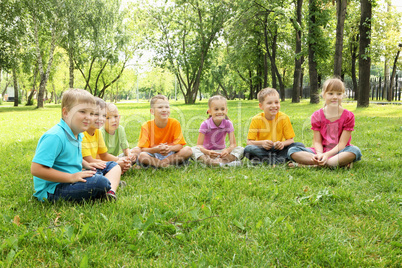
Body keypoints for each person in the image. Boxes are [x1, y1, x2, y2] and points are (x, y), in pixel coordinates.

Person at [30, 89, 121, 202]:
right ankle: (106, 185)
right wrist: (71, 177)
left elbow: (72, 156)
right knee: (100, 182)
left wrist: (87, 165)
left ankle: (110, 192)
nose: (89, 117)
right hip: (54, 188)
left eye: (91, 113)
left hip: (75, 176)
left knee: (113, 166)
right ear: (66, 112)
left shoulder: (77, 134)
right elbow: (36, 169)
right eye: (82, 111)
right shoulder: (55, 136)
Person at [287, 78, 362, 168]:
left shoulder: (349, 116)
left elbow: (342, 143)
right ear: (323, 95)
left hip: (340, 151)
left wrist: (327, 155)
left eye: (339, 94)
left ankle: (313, 165)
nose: (335, 97)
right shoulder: (317, 115)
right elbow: (317, 141)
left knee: (355, 151)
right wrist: (320, 154)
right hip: (320, 151)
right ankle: (333, 164)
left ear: (343, 95)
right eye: (330, 93)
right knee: (292, 150)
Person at [81, 97, 131, 199]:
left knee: (114, 166)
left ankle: (110, 191)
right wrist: (118, 162)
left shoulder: (97, 132)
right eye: (96, 114)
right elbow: (89, 161)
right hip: (85, 168)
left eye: (104, 115)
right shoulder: (82, 134)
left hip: (96, 166)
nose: (101, 119)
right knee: (110, 168)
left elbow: (104, 155)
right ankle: (108, 182)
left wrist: (119, 160)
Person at [244, 88, 304, 165]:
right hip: (263, 149)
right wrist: (262, 143)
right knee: (248, 149)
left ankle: (267, 161)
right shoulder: (256, 119)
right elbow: (249, 142)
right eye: (269, 103)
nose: (274, 106)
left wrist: (282, 144)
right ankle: (280, 160)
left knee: (299, 145)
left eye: (276, 102)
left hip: (279, 149)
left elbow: (291, 140)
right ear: (261, 106)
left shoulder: (284, 118)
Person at [137, 95, 193, 168]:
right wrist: (156, 149)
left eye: (167, 107)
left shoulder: (175, 123)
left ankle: (161, 164)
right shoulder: (146, 126)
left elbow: (179, 145)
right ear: (152, 111)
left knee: (188, 150)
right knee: (142, 156)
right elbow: (143, 149)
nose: (164, 110)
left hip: (170, 154)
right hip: (153, 153)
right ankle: (165, 165)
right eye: (160, 107)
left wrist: (169, 148)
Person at [192, 95, 244, 167]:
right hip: (207, 153)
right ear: (209, 111)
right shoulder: (205, 124)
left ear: (226, 110)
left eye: (222, 109)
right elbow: (199, 145)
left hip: (221, 153)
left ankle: (216, 163)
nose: (220, 112)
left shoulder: (228, 123)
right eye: (216, 109)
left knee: (241, 149)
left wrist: (227, 151)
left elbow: (233, 145)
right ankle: (223, 163)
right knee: (193, 150)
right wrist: (208, 152)